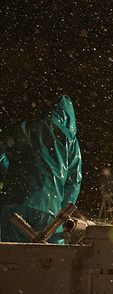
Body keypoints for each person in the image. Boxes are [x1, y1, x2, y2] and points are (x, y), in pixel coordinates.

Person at [0, 95, 82, 243]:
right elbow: (74, 180)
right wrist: (62, 210)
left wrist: (12, 174)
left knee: (12, 258)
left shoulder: (22, 128)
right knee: (49, 258)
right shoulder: (69, 139)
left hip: (14, 202)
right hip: (49, 207)